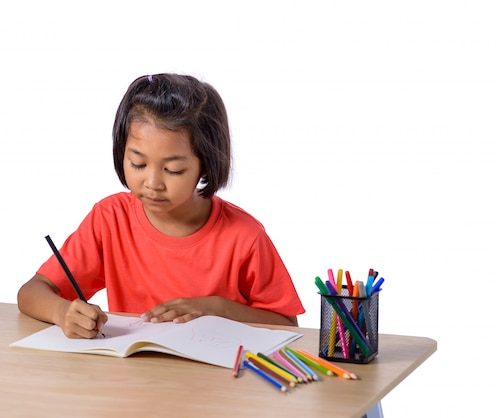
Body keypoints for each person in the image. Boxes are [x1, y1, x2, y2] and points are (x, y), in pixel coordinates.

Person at [17, 73, 304, 339]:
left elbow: (286, 326)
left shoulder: (244, 235)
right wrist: (62, 312)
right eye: (138, 164)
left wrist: (217, 309)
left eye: (174, 170)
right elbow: (31, 292)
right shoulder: (110, 218)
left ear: (206, 164)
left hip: (219, 385)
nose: (152, 182)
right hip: (133, 382)